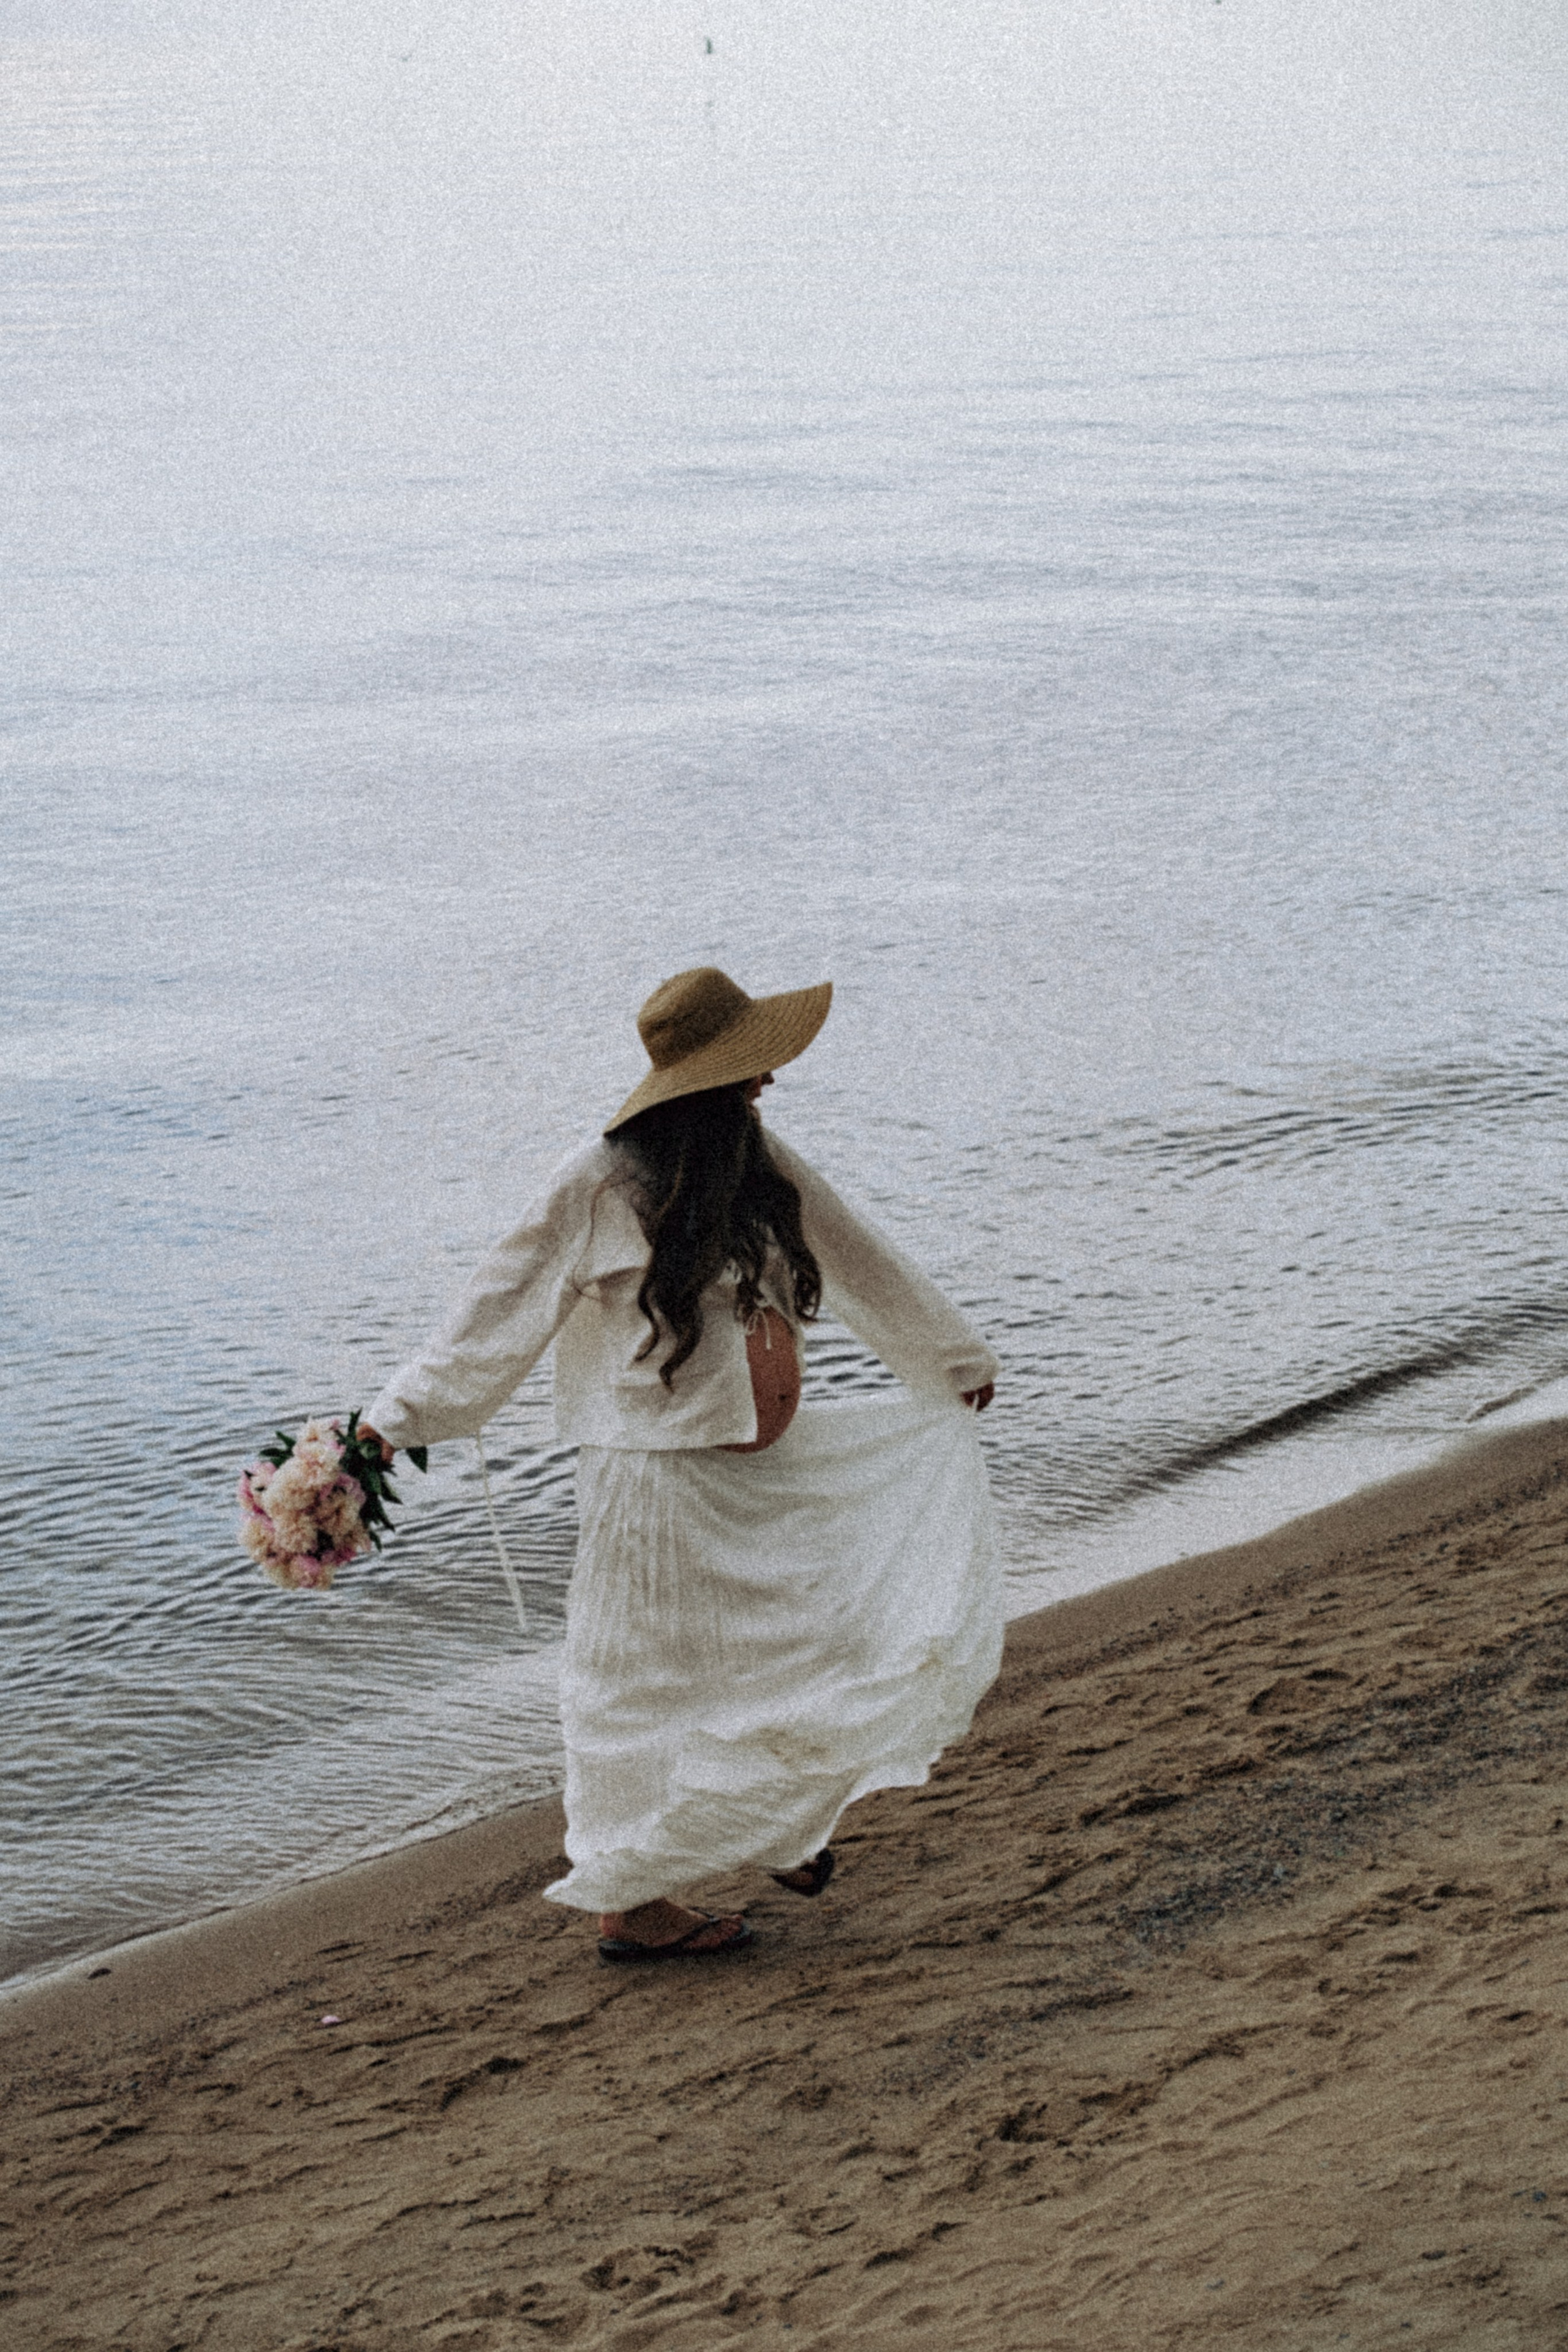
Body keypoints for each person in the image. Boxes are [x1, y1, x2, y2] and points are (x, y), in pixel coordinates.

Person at [361, 966, 1001, 1962]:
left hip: (759, 1475)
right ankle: (634, 1904)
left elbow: (857, 1252)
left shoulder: (754, 1157)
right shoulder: (599, 1181)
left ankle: (772, 1828)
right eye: (750, 1069)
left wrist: (949, 1358)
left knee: (810, 1643)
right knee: (640, 1687)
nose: (767, 1085)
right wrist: (390, 1426)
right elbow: (496, 1312)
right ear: (701, 1082)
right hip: (651, 1482)